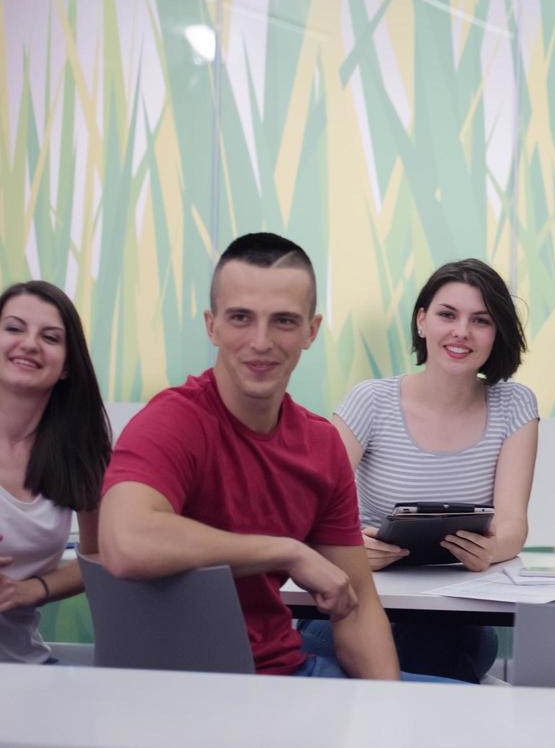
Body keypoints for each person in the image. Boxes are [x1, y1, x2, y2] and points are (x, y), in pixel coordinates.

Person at [99, 233, 412, 679]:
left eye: (283, 321)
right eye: (241, 318)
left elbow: (357, 607)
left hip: (283, 676)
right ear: (212, 325)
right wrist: (287, 552)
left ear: (311, 330)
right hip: (176, 694)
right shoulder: (173, 421)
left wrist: (388, 717)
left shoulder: (320, 445)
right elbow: (125, 543)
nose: (260, 342)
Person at [300, 258, 538, 683]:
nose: (461, 331)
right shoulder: (369, 401)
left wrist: (493, 548)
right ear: (422, 321)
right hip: (360, 597)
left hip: (452, 618)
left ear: (496, 333)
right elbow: (305, 512)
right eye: (448, 315)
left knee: (429, 652)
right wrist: (351, 545)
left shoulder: (514, 404)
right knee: (328, 648)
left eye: (480, 320)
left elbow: (513, 524)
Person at [0, 281, 111, 664]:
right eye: (14, 328)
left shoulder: (80, 452)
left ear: (66, 366)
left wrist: (33, 589)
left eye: (49, 337)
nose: (29, 344)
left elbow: (99, 556)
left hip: (22, 666)